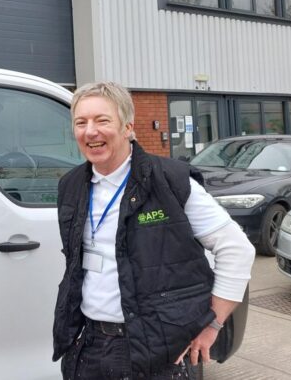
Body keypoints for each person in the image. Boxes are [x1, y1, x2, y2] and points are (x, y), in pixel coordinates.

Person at [52, 82, 255, 379]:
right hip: (89, 347)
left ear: (127, 127)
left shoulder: (170, 181)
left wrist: (213, 324)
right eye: (81, 122)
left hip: (157, 353)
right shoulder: (70, 186)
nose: (90, 131)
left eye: (102, 120)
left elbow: (237, 249)